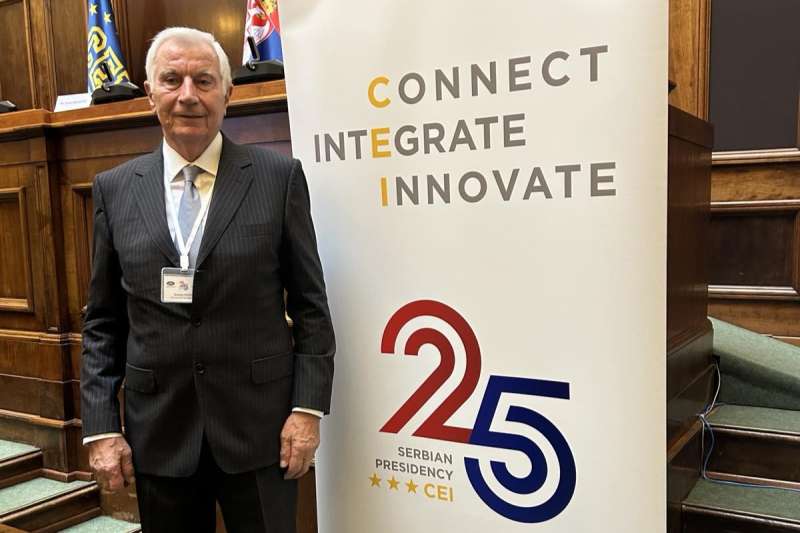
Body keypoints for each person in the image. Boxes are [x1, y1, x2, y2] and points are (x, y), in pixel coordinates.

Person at [80, 26, 335, 533]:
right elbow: (103, 322)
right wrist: (101, 427)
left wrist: (307, 411)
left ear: (227, 92)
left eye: (203, 80)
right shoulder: (114, 189)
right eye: (171, 80)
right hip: (161, 433)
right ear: (149, 93)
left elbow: (311, 306)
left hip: (261, 432)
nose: (188, 96)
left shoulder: (278, 178)